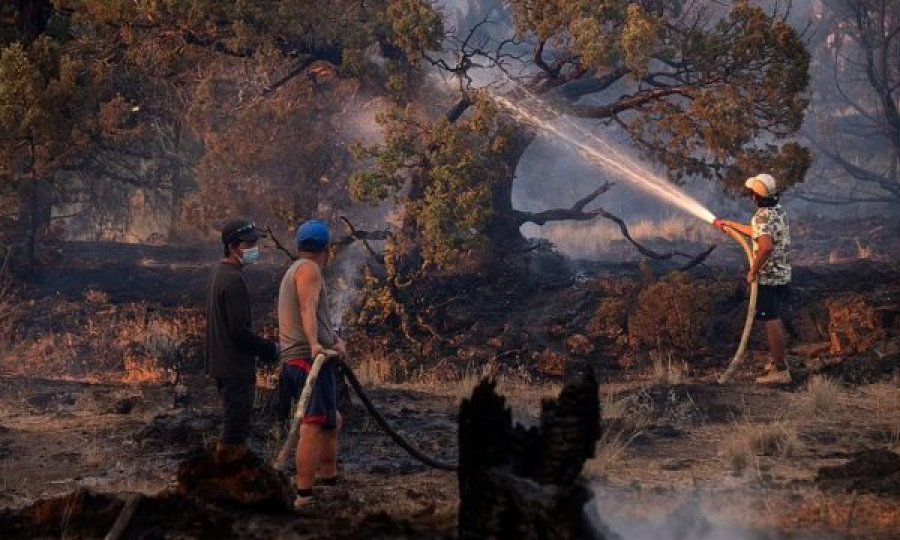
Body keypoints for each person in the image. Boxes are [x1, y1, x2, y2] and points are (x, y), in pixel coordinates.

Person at [276, 219, 346, 508]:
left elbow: (313, 314)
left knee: (332, 419)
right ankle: (304, 493)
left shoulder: (295, 268)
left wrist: (334, 341)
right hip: (307, 358)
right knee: (313, 425)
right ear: (326, 248)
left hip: (309, 357)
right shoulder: (310, 270)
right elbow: (307, 309)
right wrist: (317, 345)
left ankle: (328, 475)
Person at [204, 219, 278, 459]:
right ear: (234, 247)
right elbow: (239, 332)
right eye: (250, 243)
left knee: (233, 427)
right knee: (235, 433)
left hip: (223, 365)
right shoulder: (234, 280)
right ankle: (226, 480)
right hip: (235, 369)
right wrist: (270, 350)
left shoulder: (219, 272)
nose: (256, 248)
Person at [714, 173, 792, 384]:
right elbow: (759, 232)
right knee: (775, 318)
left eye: (752, 194)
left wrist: (753, 271)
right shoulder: (777, 212)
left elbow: (765, 246)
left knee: (771, 321)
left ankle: (781, 371)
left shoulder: (761, 216)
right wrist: (730, 225)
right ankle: (778, 361)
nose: (751, 197)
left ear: (757, 196)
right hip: (782, 274)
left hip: (768, 277)